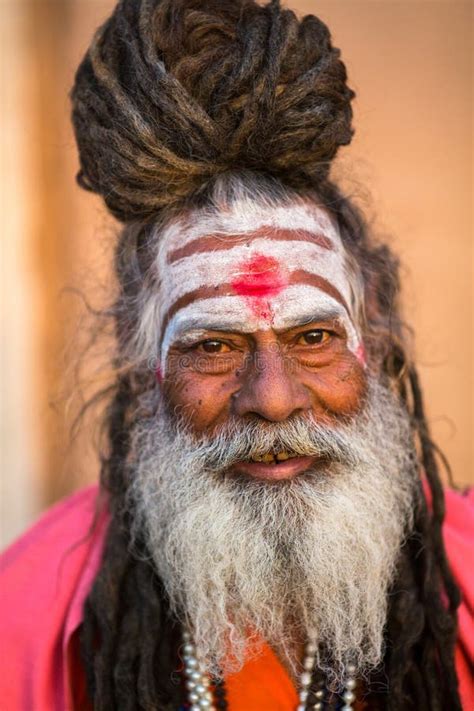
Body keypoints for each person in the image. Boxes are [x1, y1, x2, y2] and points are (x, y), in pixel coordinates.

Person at [1, 1, 472, 709]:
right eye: (214, 347)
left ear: (370, 344)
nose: (275, 397)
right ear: (145, 369)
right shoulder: (24, 616)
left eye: (314, 338)